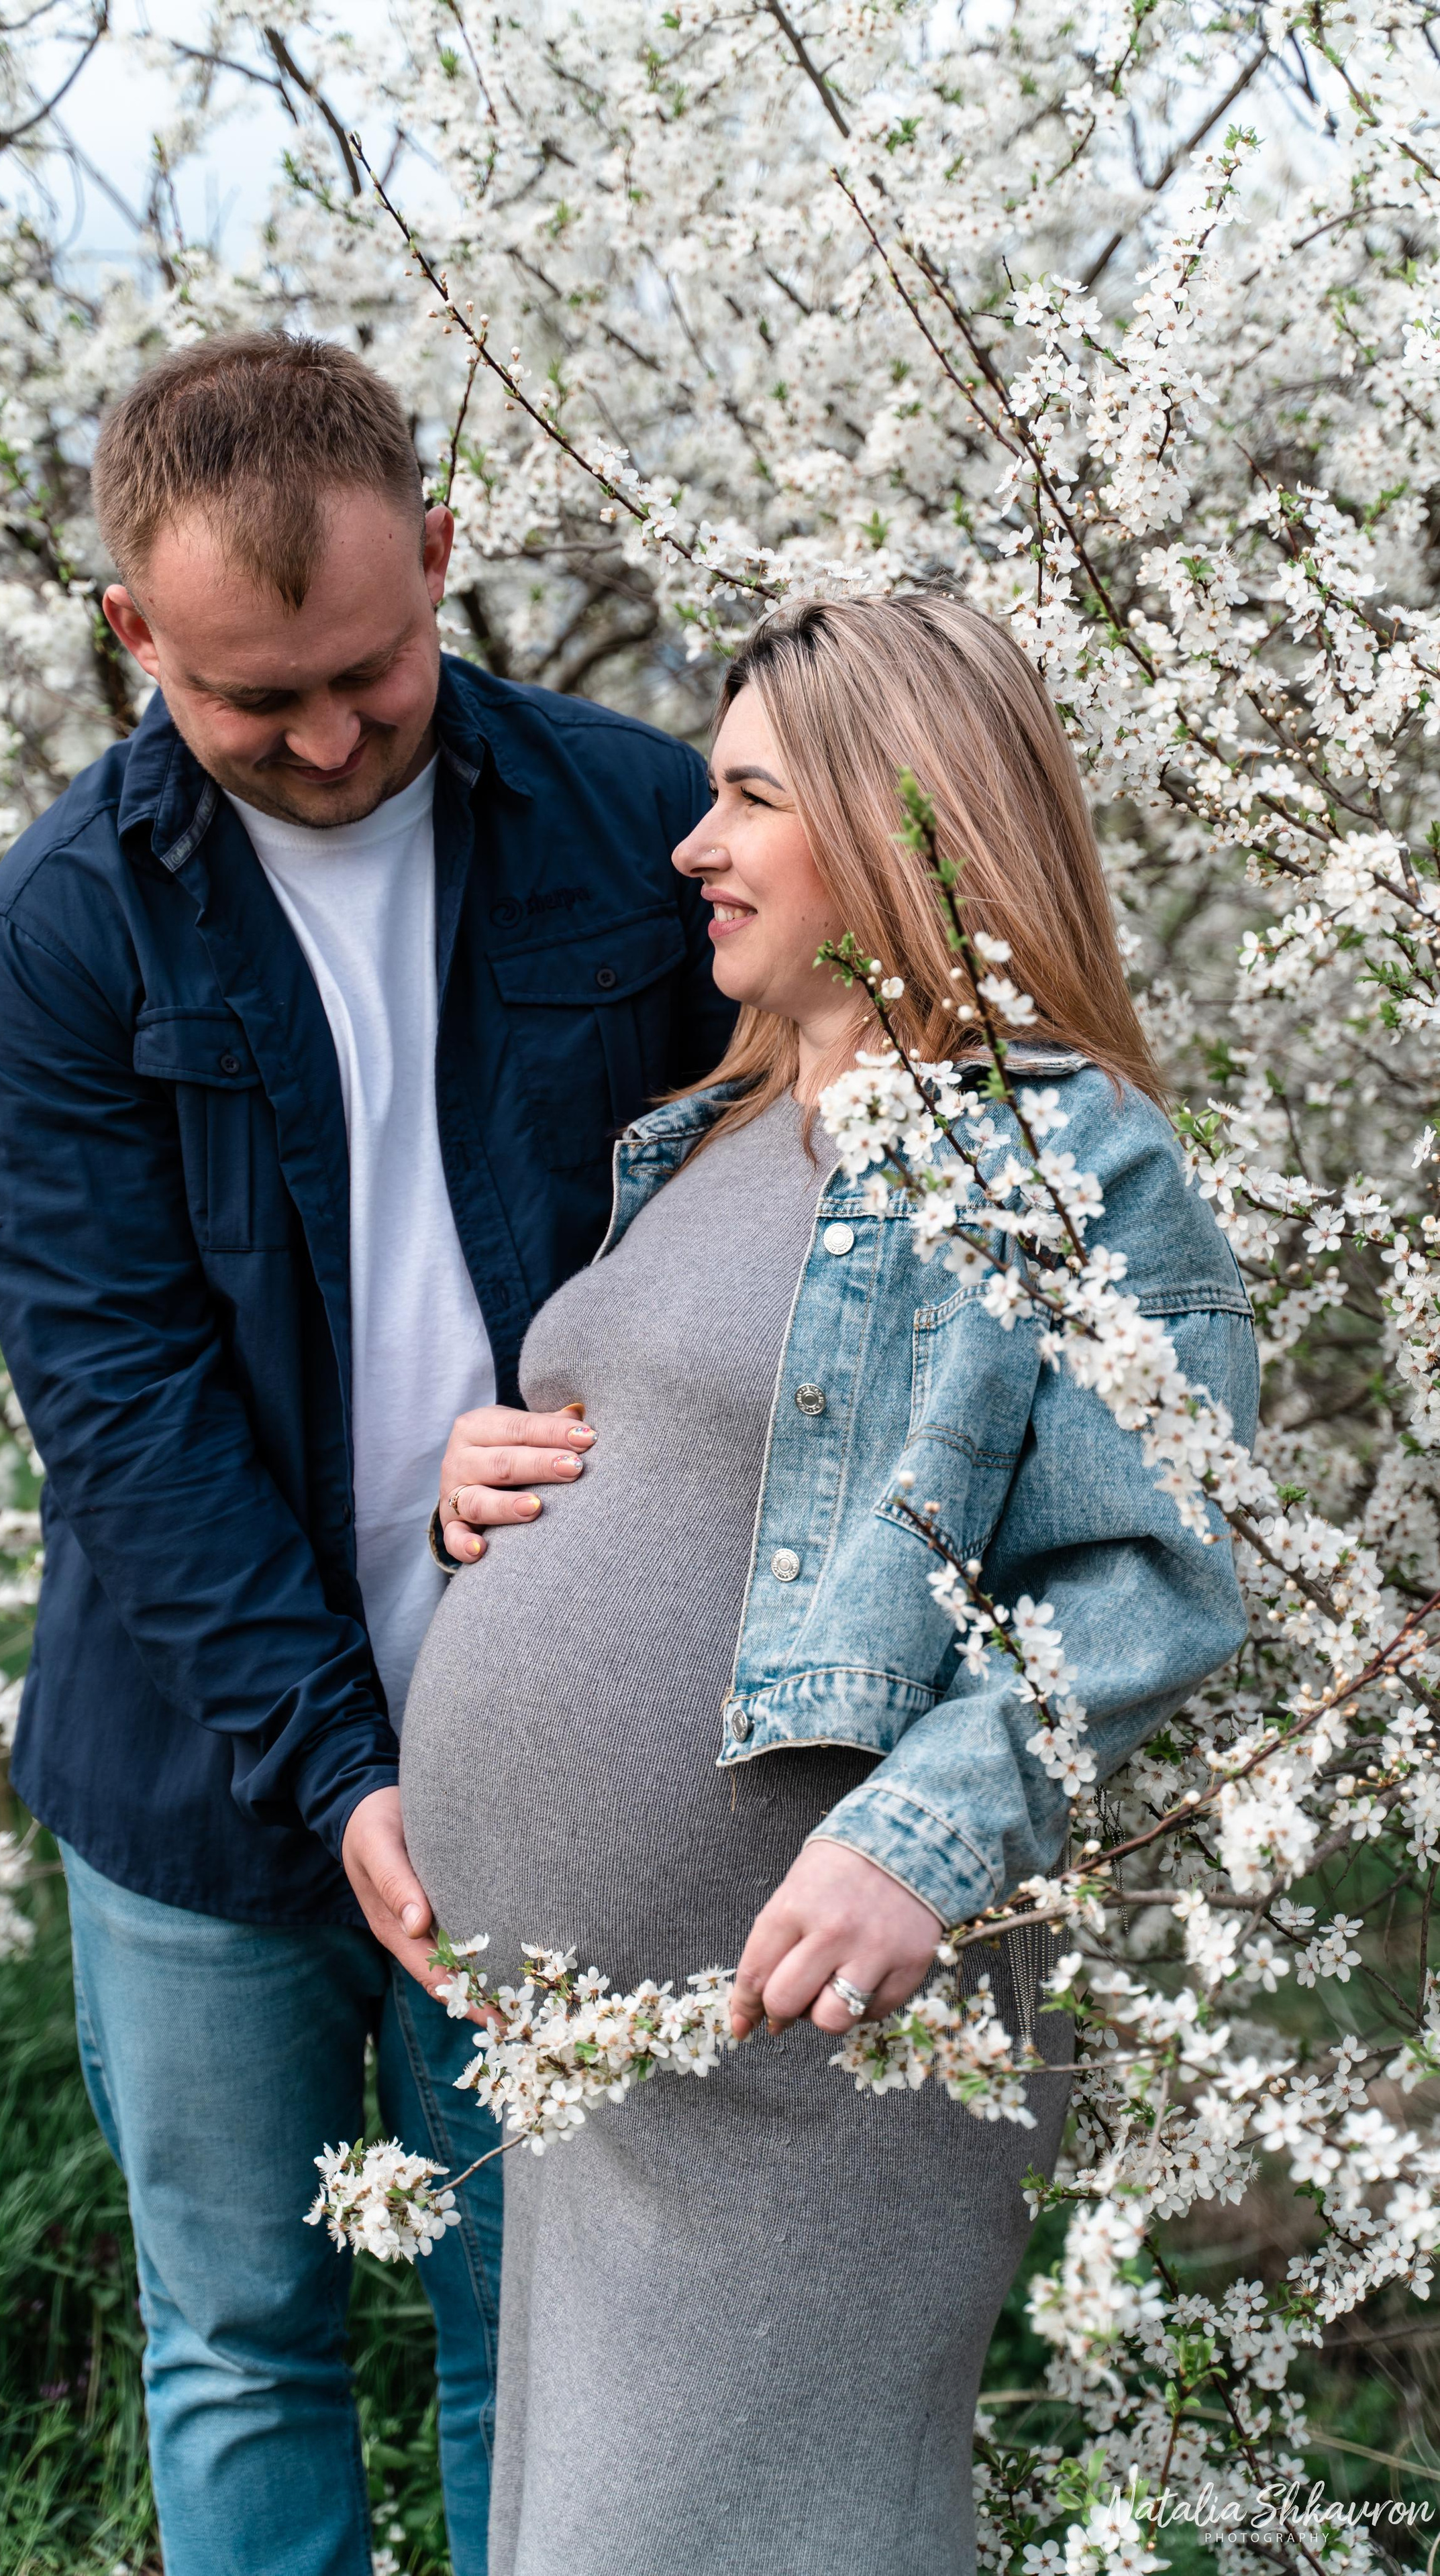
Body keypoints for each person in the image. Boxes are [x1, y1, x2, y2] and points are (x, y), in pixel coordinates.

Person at [0, 331, 735, 2576]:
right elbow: (117, 1407)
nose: (321, 739)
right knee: (243, 2335)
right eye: (246, 696)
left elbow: (791, 1224)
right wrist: (336, 1765)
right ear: (133, 636)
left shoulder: (636, 821)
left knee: (542, 2336)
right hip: (201, 1774)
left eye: (371, 676)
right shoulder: (64, 933)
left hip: (559, 1736)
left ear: (448, 559)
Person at [399, 592, 1259, 2576]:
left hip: (815, 2074)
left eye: (748, 799)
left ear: (904, 826)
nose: (692, 847)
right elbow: (689, 1455)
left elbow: (1158, 1570)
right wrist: (487, 1480)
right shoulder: (712, 1130)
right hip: (614, 2082)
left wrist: (929, 1835)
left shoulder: (1060, 1155)